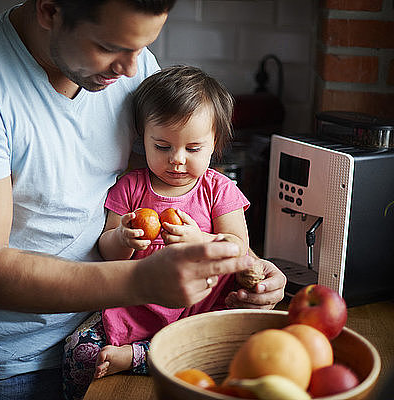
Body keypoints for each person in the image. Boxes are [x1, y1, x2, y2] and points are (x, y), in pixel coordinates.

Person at [0, 0, 286, 399]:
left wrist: (246, 265)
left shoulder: (127, 68)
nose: (131, 70)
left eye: (141, 47)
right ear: (50, 11)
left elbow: (160, 194)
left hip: (113, 334)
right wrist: (142, 281)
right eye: (108, 47)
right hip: (2, 366)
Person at [62, 65, 255, 399]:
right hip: (140, 308)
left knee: (229, 353)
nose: (177, 160)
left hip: (200, 310)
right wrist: (123, 238)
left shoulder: (219, 189)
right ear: (142, 138)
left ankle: (136, 357)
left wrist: (202, 241)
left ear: (215, 144)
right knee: (80, 351)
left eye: (193, 149)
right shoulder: (130, 187)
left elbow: (238, 249)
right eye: (162, 146)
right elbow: (107, 249)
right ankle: (144, 353)